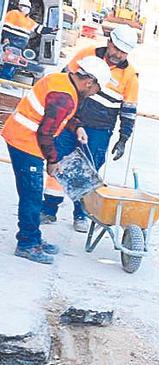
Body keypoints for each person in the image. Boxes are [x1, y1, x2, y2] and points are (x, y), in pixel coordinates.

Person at [2, 56, 109, 264]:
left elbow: (63, 117)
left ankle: (33, 238)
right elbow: (46, 133)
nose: (95, 92)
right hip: (25, 142)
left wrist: (77, 127)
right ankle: (27, 244)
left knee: (31, 195)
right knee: (32, 197)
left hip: (24, 138)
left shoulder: (63, 81)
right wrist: (52, 161)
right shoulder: (64, 96)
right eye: (97, 88)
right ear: (89, 82)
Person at [42, 25, 140, 233]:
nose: (118, 55)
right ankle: (49, 208)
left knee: (87, 172)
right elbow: (64, 79)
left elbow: (129, 109)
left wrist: (123, 137)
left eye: (123, 52)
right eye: (116, 49)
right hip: (71, 120)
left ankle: (81, 214)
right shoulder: (86, 54)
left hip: (99, 130)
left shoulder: (130, 75)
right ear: (109, 41)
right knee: (57, 161)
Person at [1, 0, 42, 81]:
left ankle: (8, 79)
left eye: (28, 8)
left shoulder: (27, 19)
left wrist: (51, 30)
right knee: (10, 61)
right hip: (12, 42)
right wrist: (6, 39)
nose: (26, 9)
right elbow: (5, 27)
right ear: (20, 6)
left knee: (15, 62)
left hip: (20, 46)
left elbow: (38, 28)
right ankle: (4, 79)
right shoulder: (13, 13)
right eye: (25, 7)